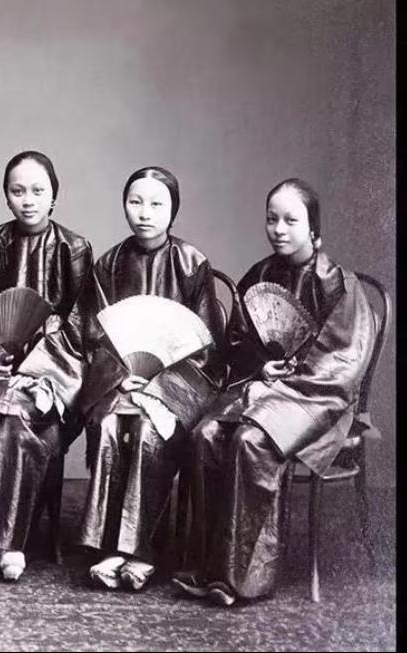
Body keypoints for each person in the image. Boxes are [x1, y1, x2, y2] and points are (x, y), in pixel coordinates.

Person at [173, 178, 377, 606]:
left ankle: (241, 579)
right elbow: (235, 342)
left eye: (290, 220)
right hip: (262, 388)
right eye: (272, 219)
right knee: (205, 435)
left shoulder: (339, 285)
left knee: (251, 441)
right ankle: (208, 564)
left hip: (316, 398)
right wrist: (260, 366)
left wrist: (289, 381)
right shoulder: (261, 275)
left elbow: (343, 367)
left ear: (314, 227)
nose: (279, 229)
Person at [0, 150, 93, 581]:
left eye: (38, 190)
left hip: (50, 377)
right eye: (18, 191)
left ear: (54, 196)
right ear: (6, 196)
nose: (28, 199)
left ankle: (8, 542)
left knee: (17, 418)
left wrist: (39, 366)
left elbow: (81, 324)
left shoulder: (74, 249)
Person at [76, 166, 223, 591]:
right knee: (109, 424)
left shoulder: (192, 264)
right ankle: (108, 546)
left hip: (173, 388)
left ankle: (139, 551)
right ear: (124, 205)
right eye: (135, 202)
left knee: (145, 430)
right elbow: (94, 336)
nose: (145, 212)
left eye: (157, 203)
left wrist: (158, 386)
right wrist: (122, 378)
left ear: (173, 209)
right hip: (121, 383)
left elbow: (206, 347)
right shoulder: (108, 265)